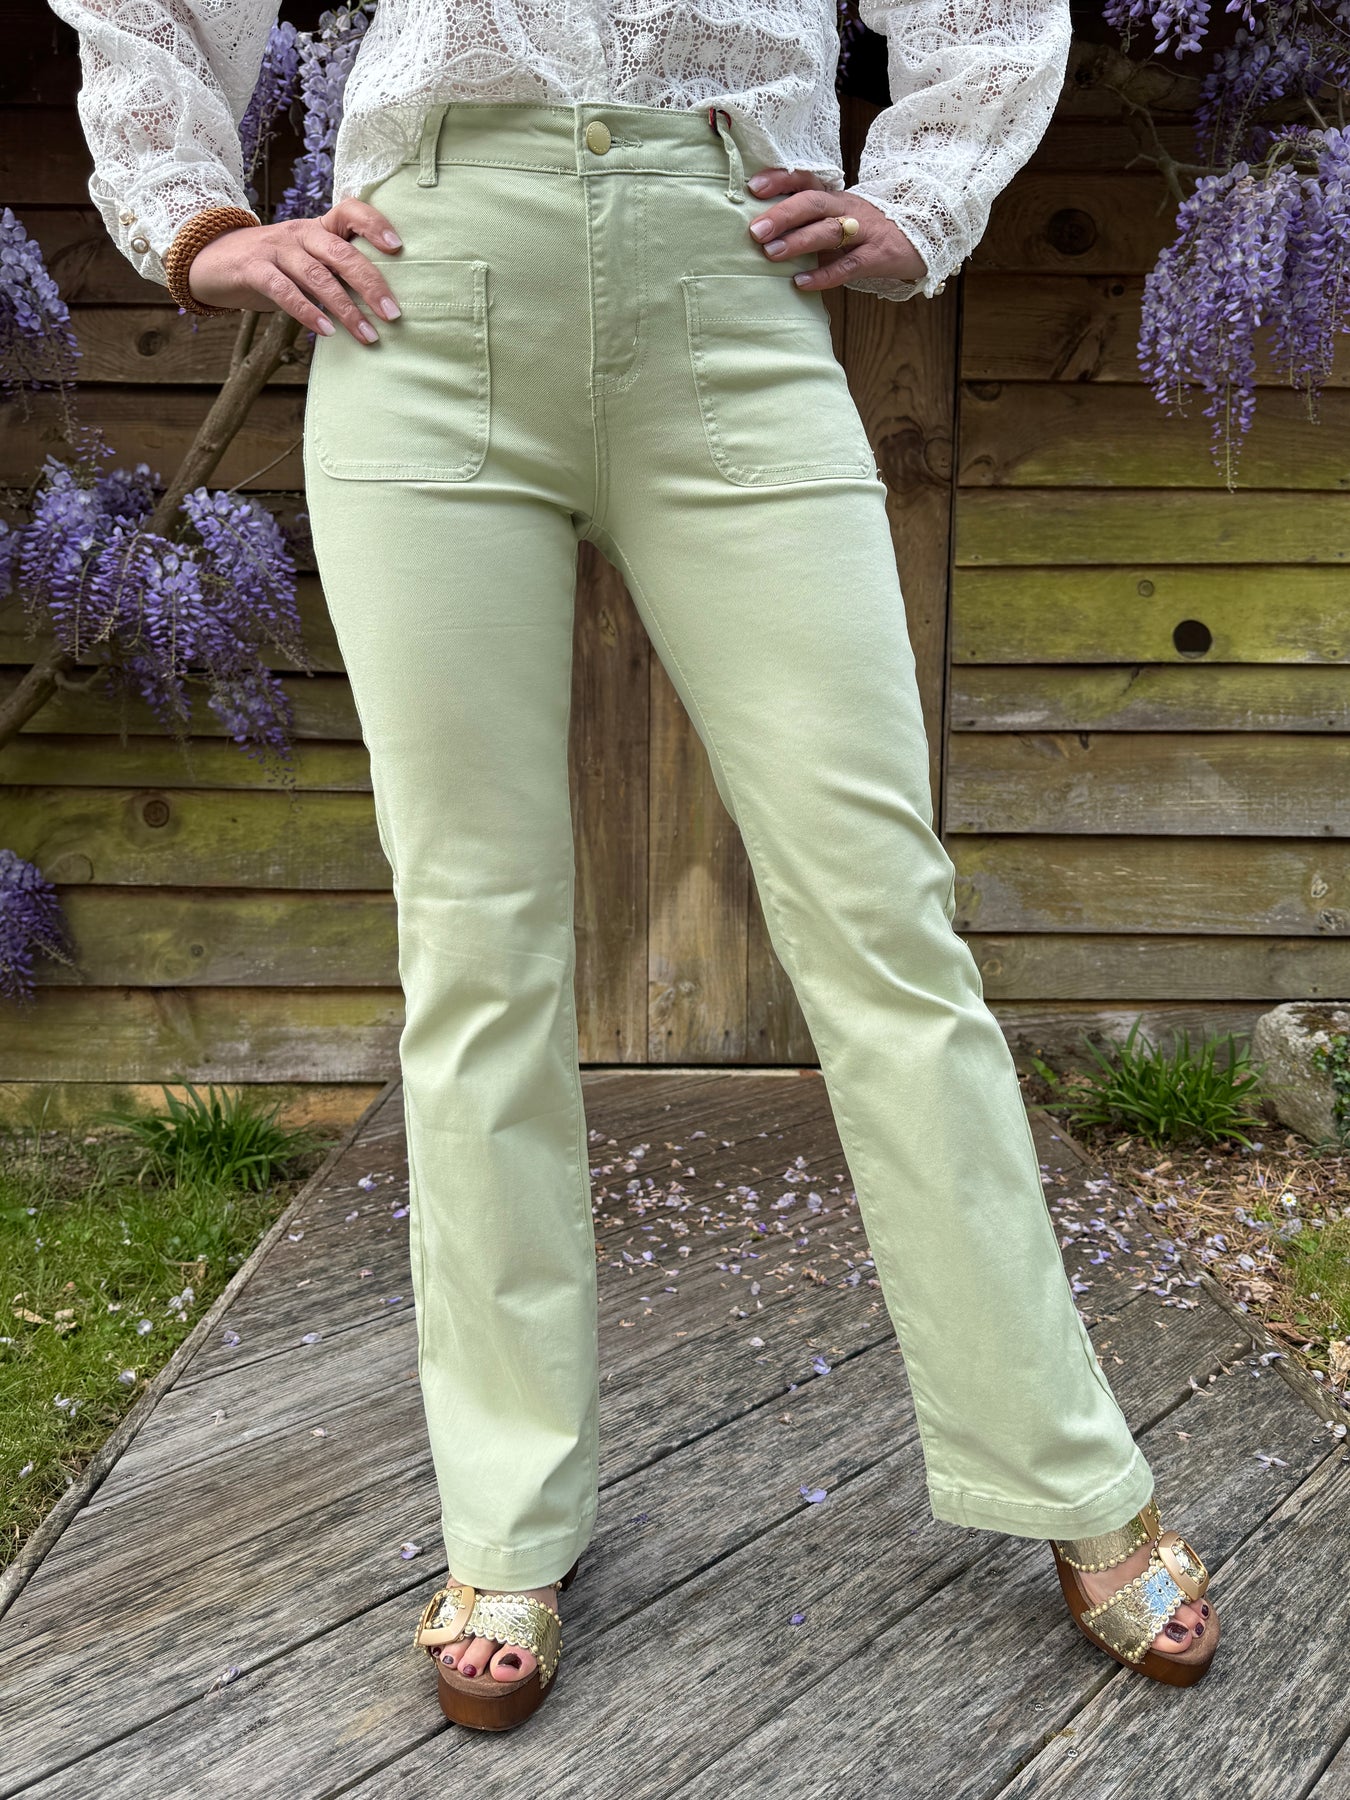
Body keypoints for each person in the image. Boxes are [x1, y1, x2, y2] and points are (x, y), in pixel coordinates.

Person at [50, 0, 1220, 1730]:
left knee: (885, 926)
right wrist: (195, 219)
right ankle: (505, 1518)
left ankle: (1066, 1471)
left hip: (727, 288)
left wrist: (926, 191)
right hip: (421, 299)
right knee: (476, 947)